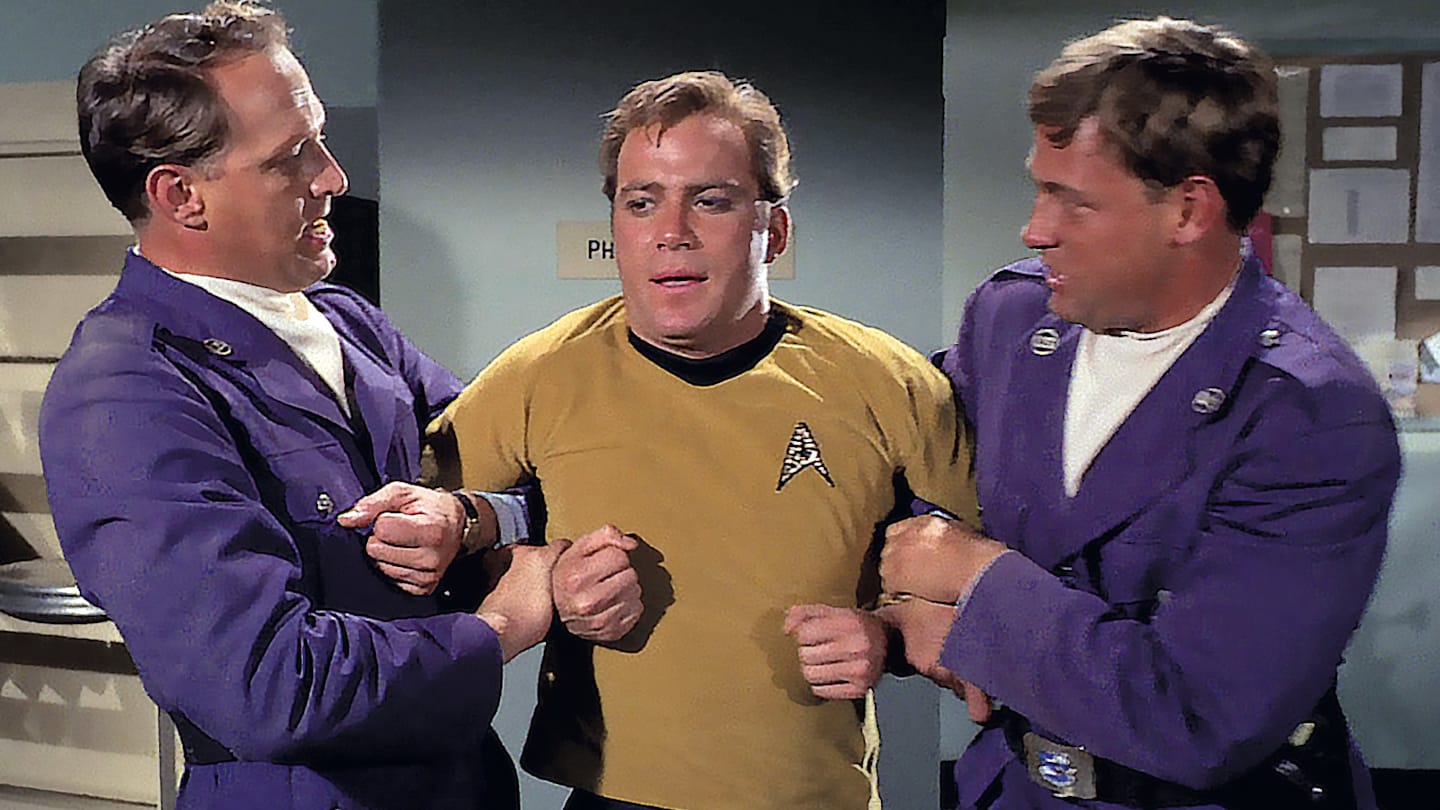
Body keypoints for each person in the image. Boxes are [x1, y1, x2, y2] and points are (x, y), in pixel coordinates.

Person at [353, 70, 978, 810]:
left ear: (773, 231)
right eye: (642, 202)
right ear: (616, 226)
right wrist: (541, 580)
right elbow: (427, 554)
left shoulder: (889, 383)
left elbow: (993, 577)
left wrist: (890, 636)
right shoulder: (537, 376)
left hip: (817, 795)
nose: (671, 231)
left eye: (711, 200)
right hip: (611, 796)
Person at [39, 3, 559, 808]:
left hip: (454, 779)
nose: (332, 177)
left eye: (319, 138)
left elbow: (529, 469)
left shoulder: (349, 326)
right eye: (290, 158)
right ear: (181, 195)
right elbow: (271, 686)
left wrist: (477, 518)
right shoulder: (126, 391)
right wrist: (502, 628)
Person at [877, 17, 1401, 810]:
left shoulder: (1309, 414)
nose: (1035, 229)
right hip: (1016, 786)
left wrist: (977, 583)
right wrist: (903, 612)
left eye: (1073, 201)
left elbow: (1198, 719)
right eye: (1039, 187)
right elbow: (926, 487)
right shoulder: (1012, 319)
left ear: (1188, 210)